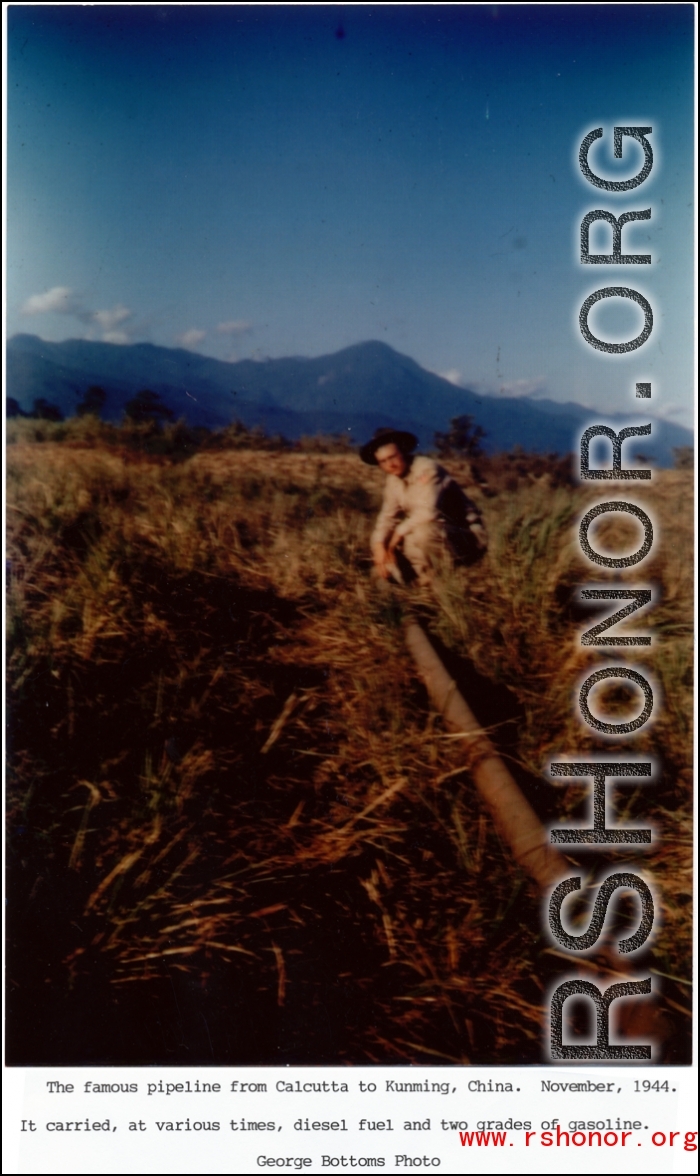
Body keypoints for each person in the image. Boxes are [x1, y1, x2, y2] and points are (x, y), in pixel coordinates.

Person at [359, 427, 486, 585]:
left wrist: (395, 539)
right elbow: (387, 517)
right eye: (383, 462)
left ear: (403, 452)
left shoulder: (427, 469)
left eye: (393, 457)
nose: (390, 465)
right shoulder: (393, 481)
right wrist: (379, 546)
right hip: (436, 536)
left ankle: (447, 576)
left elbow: (427, 513)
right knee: (389, 558)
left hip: (464, 535)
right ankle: (418, 576)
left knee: (422, 532)